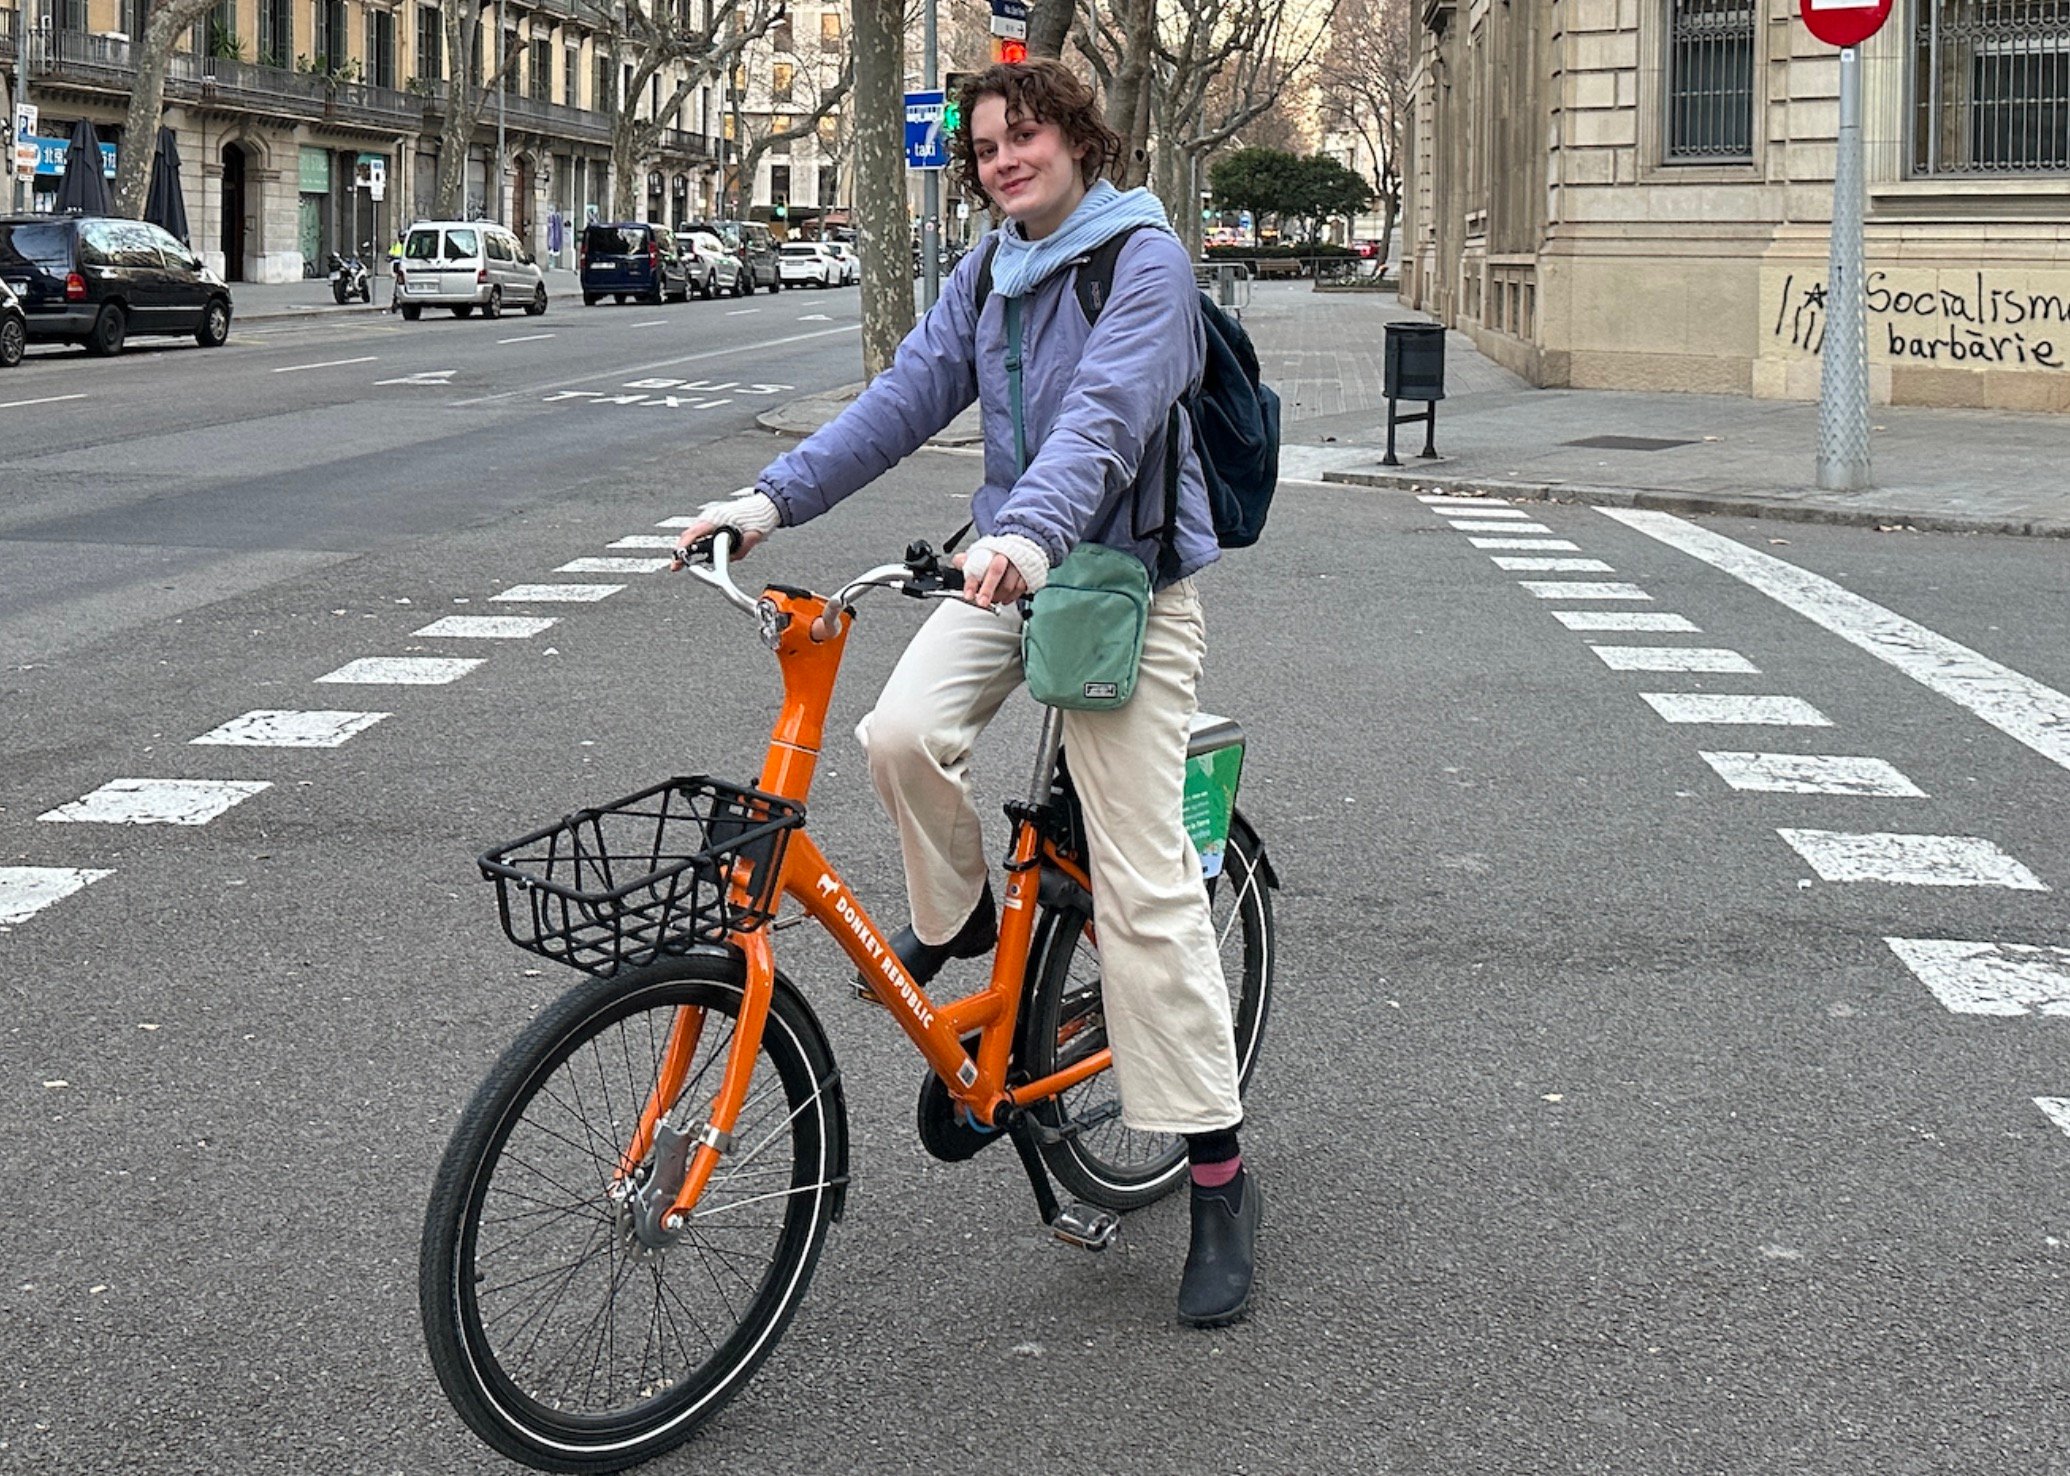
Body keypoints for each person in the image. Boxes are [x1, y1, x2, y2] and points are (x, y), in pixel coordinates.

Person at [673, 58, 1259, 1328]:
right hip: (1011, 567)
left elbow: (1104, 420)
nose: (1001, 160)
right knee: (898, 734)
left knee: (1148, 886)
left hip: (1122, 585)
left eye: (1023, 136)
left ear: (1079, 140)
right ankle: (976, 944)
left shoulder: (1145, 264)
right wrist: (766, 502)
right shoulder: (991, 269)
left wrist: (1034, 535)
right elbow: (898, 402)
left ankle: (1218, 1178)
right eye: (984, 145)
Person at [387, 232, 405, 313]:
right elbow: (391, 253)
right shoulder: (396, 245)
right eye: (400, 237)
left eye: (403, 237)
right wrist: (389, 257)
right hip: (397, 265)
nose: (402, 239)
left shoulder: (408, 244)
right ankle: (395, 299)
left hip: (405, 266)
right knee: (397, 283)